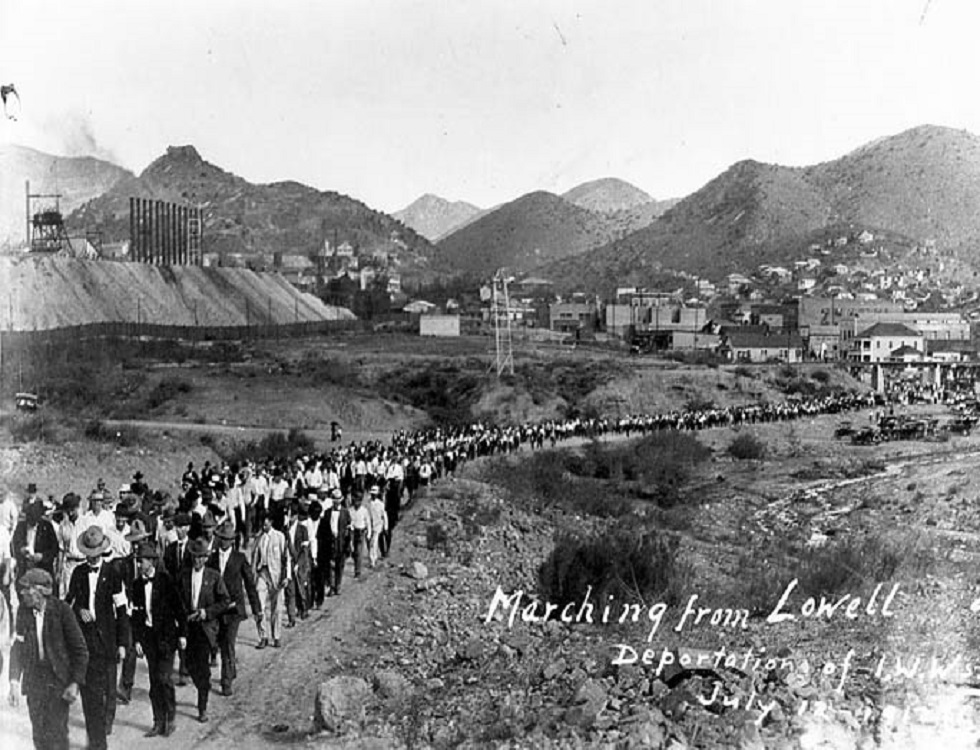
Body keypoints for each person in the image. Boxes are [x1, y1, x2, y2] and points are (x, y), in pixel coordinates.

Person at [65, 526, 131, 750]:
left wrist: (123, 643)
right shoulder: (78, 573)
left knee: (109, 689)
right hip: (85, 641)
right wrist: (79, 610)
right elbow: (69, 604)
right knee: (90, 693)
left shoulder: (113, 574)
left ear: (101, 552)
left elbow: (122, 610)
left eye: (95, 555)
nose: (91, 559)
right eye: (88, 555)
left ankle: (103, 728)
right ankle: (97, 740)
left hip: (108, 640)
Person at [9, 568, 89, 750]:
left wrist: (75, 683)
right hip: (34, 681)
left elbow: (80, 651)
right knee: (39, 735)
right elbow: (17, 648)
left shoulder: (62, 611)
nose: (22, 594)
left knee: (57, 736)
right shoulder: (23, 612)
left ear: (39, 591)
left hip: (57, 680)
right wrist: (13, 682)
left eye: (26, 589)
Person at [131, 542, 183, 737]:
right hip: (149, 639)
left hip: (167, 638)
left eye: (141, 561)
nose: (138, 565)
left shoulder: (165, 581)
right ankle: (157, 721)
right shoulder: (136, 585)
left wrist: (183, 634)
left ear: (151, 561)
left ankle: (170, 718)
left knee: (164, 678)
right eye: (137, 561)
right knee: (154, 682)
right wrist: (136, 640)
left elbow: (179, 609)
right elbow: (136, 616)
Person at [178, 537, 229, 723]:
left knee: (203, 668)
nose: (198, 560)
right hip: (189, 627)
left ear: (206, 558)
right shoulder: (183, 575)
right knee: (190, 665)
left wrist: (206, 612)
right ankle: (201, 686)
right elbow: (179, 601)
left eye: (201, 557)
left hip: (206, 628)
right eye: (195, 557)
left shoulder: (214, 576)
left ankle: (202, 706)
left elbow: (224, 601)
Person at [208, 522, 261, 696]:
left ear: (232, 541)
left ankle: (226, 682)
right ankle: (231, 670)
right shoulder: (212, 558)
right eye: (221, 538)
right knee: (217, 642)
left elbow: (250, 585)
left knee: (228, 643)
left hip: (234, 610)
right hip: (217, 609)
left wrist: (256, 609)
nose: (224, 542)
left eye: (227, 539)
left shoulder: (240, 558)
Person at [251, 512, 289, 649]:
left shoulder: (280, 537)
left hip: (277, 575)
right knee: (259, 606)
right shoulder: (258, 538)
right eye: (262, 523)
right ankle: (263, 636)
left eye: (266, 523)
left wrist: (286, 577)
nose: (264, 525)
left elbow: (286, 558)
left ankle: (277, 636)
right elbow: (254, 557)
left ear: (271, 522)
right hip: (262, 574)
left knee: (277, 607)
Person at [12, 501, 59, 578]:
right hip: (25, 566)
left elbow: (54, 548)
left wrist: (43, 556)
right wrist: (21, 549)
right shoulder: (21, 526)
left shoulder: (47, 527)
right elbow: (15, 542)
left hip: (42, 568)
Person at [317, 490, 350, 597]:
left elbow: (349, 528)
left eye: (338, 501)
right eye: (334, 501)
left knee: (339, 565)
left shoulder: (345, 512)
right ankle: (331, 586)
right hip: (329, 542)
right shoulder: (327, 513)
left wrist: (348, 542)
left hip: (341, 542)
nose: (336, 503)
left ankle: (338, 585)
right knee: (330, 565)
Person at [55, 494, 85, 599]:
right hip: (69, 564)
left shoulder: (85, 523)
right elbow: (61, 549)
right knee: (67, 594)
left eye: (72, 509)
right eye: (68, 510)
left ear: (77, 508)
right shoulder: (63, 526)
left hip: (83, 562)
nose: (70, 513)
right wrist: (58, 571)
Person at [348, 492, 371, 578]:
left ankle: (357, 571)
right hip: (352, 532)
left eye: (358, 501)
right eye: (355, 501)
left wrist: (369, 533)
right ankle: (356, 565)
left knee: (359, 551)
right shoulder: (350, 510)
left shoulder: (364, 510)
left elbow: (368, 522)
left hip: (360, 532)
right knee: (353, 552)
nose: (356, 503)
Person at [366, 486, 388, 568]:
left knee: (374, 543)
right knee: (369, 542)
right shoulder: (367, 503)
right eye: (372, 494)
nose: (373, 496)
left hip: (377, 526)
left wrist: (385, 527)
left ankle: (373, 560)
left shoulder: (380, 504)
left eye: (374, 494)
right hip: (368, 526)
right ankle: (371, 557)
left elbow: (384, 516)